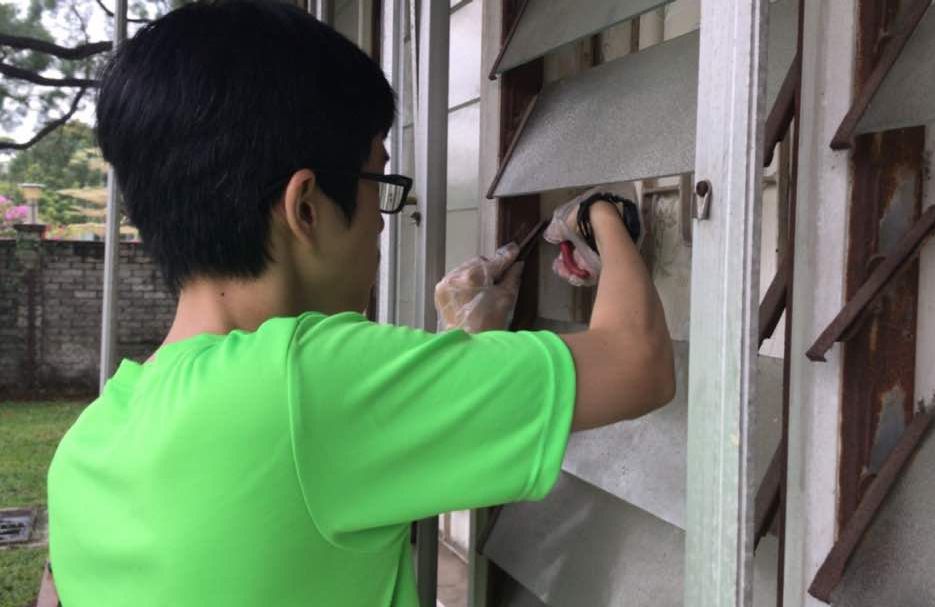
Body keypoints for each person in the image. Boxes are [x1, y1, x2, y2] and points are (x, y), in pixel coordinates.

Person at [46, 1, 674, 605]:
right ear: (306, 208)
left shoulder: (85, 449)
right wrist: (597, 215)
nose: (380, 222)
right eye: (379, 180)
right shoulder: (308, 382)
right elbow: (637, 363)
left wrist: (465, 348)